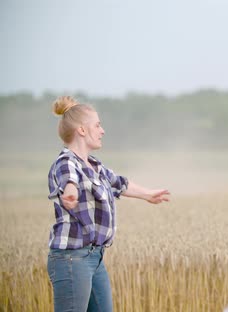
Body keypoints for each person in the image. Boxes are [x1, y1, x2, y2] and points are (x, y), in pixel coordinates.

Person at [46, 96, 170, 312]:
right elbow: (69, 180)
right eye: (97, 125)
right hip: (72, 259)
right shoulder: (65, 162)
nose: (102, 130)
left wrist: (148, 194)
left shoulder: (94, 165)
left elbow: (121, 183)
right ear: (82, 130)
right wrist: (71, 192)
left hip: (95, 257)